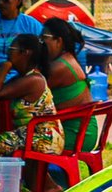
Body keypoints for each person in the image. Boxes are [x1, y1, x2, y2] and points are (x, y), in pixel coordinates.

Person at [0, 33, 63, 158]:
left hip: (43, 137)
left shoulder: (34, 80)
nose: (7, 54)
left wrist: (3, 67)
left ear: (25, 53)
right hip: (30, 134)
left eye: (11, 50)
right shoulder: (24, 77)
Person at [40, 17, 99, 154]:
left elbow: (24, 89)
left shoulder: (59, 67)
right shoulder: (65, 59)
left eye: (44, 38)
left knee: (18, 142)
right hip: (78, 130)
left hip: (75, 133)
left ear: (58, 41)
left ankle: (46, 176)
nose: (40, 43)